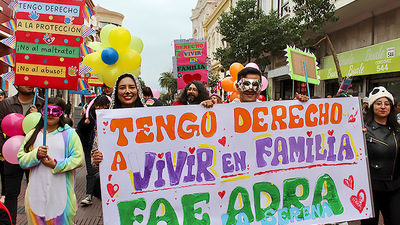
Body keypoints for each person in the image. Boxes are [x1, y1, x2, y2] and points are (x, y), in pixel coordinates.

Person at [17, 97, 84, 225]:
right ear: (41, 112)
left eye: (55, 111)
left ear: (62, 113)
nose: (50, 115)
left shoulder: (69, 134)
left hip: (61, 196)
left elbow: (78, 159)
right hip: (35, 195)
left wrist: (56, 164)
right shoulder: (33, 134)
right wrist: (35, 155)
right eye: (46, 110)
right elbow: (21, 158)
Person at [0, 86, 44, 224]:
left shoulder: (42, 103)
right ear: (16, 85)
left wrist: (39, 117)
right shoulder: (6, 104)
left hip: (34, 154)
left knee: (37, 192)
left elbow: (51, 127)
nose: (28, 84)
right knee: (11, 194)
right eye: (24, 81)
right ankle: (9, 222)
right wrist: (3, 147)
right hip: (12, 154)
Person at [91, 73, 147, 182]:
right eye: (122, 88)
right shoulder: (106, 121)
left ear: (138, 90)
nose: (127, 91)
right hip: (119, 184)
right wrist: (96, 159)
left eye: (131, 87)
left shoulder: (152, 119)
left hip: (146, 180)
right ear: (116, 92)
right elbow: (94, 158)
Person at [363, 86, 400, 225]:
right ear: (372, 106)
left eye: (387, 103)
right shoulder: (363, 130)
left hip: (394, 187)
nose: (383, 107)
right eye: (378, 103)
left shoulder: (397, 130)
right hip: (371, 189)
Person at [77, 95, 110, 206]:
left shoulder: (111, 116)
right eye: (98, 106)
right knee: (91, 171)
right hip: (90, 147)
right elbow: (79, 129)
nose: (100, 109)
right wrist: (85, 123)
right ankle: (89, 195)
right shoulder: (89, 116)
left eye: (104, 106)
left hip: (106, 149)